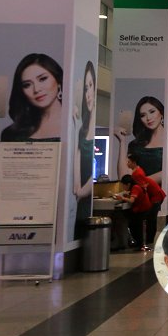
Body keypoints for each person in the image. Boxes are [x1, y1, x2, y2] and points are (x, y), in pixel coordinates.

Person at [0, 53, 63, 198]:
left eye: (43, 79)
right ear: (22, 91)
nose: (36, 89)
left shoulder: (74, 128)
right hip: (19, 214)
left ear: (58, 81)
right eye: (27, 85)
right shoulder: (14, 133)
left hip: (59, 215)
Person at [71, 61, 97, 240]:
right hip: (80, 203)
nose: (88, 93)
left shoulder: (92, 130)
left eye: (91, 86)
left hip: (86, 201)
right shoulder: (82, 131)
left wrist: (81, 191)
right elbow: (76, 185)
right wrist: (73, 125)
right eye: (85, 88)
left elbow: (80, 190)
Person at [115, 96, 166, 184]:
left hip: (163, 195)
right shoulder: (135, 145)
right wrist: (122, 141)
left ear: (161, 113)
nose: (148, 118)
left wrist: (138, 183)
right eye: (143, 115)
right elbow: (124, 178)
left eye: (152, 112)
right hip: (139, 195)